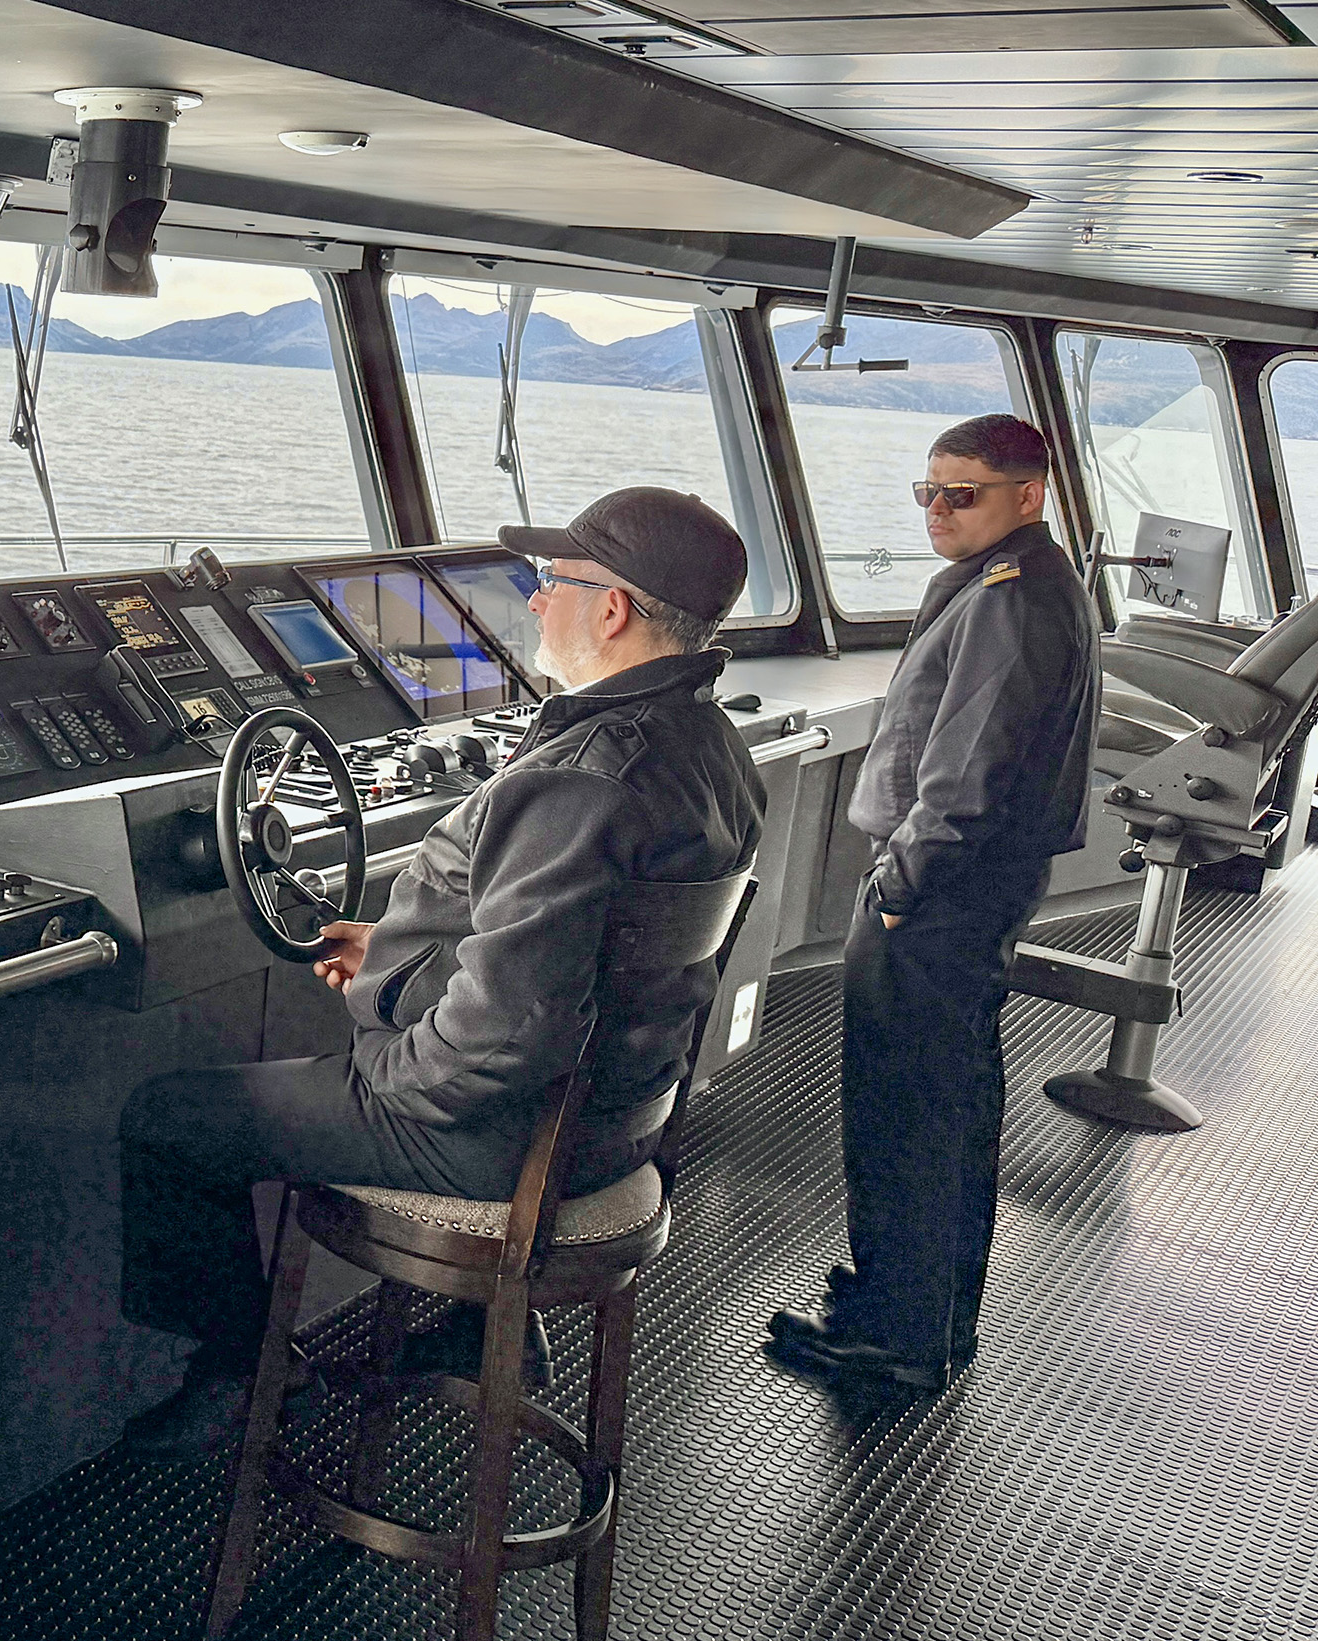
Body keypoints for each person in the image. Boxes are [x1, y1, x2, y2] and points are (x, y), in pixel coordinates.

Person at [120, 488, 765, 1456]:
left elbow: (497, 1044)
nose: (536, 601)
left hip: (502, 1139)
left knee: (170, 1120)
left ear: (613, 611)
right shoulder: (713, 750)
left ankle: (246, 1378)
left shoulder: (579, 780)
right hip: (612, 1129)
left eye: (553, 581)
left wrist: (378, 1064)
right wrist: (389, 957)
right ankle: (486, 1330)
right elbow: (572, 962)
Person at [766, 414, 1099, 1395]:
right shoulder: (1019, 580)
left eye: (963, 493)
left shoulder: (1010, 597)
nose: (938, 511)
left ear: (1028, 496)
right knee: (944, 1105)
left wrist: (899, 891)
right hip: (969, 886)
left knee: (906, 1112)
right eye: (929, 491)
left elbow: (968, 777)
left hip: (941, 891)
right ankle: (924, 1313)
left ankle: (899, 1341)